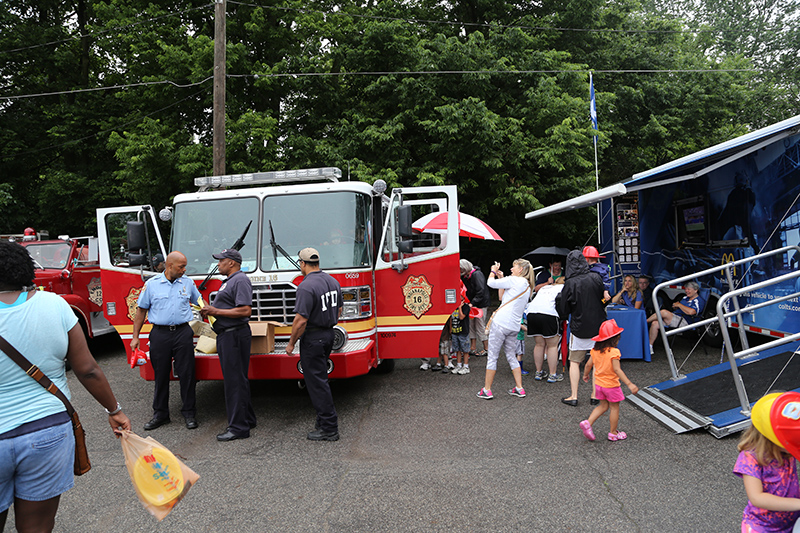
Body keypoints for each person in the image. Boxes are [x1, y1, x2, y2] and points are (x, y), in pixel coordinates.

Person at [0, 241, 132, 532]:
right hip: (47, 432)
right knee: (37, 526)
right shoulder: (56, 305)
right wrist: (115, 410)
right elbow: (87, 370)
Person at [132, 251, 201, 431]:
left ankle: (189, 413)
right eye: (181, 266)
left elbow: (200, 302)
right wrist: (135, 337)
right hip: (160, 334)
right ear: (169, 266)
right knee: (160, 375)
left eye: (185, 266)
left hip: (183, 332)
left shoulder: (188, 283)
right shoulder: (152, 285)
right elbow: (141, 311)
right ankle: (161, 415)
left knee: (187, 374)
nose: (184, 270)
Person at [286, 248, 343, 441]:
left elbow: (300, 320)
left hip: (313, 338)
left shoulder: (305, 286)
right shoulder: (332, 281)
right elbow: (339, 310)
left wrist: (291, 343)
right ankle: (322, 421)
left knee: (317, 384)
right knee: (321, 380)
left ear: (302, 264)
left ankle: (329, 427)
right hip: (328, 335)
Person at [199, 249, 256, 442]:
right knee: (238, 379)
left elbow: (245, 310)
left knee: (234, 382)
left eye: (221, 261)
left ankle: (238, 428)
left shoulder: (239, 280)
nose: (219, 264)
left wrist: (215, 310)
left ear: (231, 263)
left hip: (234, 336)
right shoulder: (231, 281)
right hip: (229, 335)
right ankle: (247, 419)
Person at [476, 259, 536, 400]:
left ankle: (487, 390)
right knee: (511, 355)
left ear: (520, 269)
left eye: (514, 266)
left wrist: (492, 271)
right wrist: (502, 279)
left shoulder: (515, 280)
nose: (511, 269)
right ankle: (519, 388)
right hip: (514, 326)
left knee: (492, 356)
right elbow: (503, 297)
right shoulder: (528, 287)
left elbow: (489, 283)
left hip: (501, 323)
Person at [556, 250, 606, 407]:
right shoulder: (596, 278)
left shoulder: (570, 283)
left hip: (579, 327)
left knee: (575, 362)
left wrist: (561, 305)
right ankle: (594, 395)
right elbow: (603, 300)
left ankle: (574, 396)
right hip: (598, 327)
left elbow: (563, 309)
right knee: (597, 362)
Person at [733, 416, 800, 531]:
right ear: (771, 437)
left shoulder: (785, 449)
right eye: (792, 438)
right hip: (762, 527)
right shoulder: (750, 458)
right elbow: (757, 498)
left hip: (791, 521)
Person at [579, 319, 638, 442]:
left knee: (603, 406)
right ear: (614, 338)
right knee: (614, 408)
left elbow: (588, 365)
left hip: (599, 385)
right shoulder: (614, 352)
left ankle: (588, 423)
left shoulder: (594, 351)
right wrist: (629, 384)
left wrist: (585, 375)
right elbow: (617, 370)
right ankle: (613, 433)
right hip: (611, 386)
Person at [647, 281, 705, 356]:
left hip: (685, 321)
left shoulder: (698, 301)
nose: (686, 291)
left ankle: (644, 321)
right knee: (655, 323)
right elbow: (680, 308)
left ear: (695, 290)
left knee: (663, 312)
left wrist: (679, 305)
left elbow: (692, 312)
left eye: (689, 289)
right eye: (686, 289)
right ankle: (650, 346)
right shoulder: (685, 298)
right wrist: (676, 306)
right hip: (676, 317)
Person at [526, 277, 565, 383]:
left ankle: (539, 372)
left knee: (539, 344)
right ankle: (552, 374)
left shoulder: (545, 288)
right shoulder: (563, 287)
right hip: (549, 314)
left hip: (532, 313)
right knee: (552, 345)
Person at [461, 259, 489, 357]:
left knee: (480, 325)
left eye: (461, 270)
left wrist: (472, 303)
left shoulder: (477, 274)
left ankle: (487, 348)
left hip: (480, 304)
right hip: (472, 304)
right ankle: (473, 348)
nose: (460, 272)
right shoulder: (467, 276)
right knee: (471, 325)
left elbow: (481, 291)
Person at [450, 296, 471, 375]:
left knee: (465, 349)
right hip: (455, 331)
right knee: (457, 349)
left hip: (463, 331)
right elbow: (451, 319)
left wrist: (459, 307)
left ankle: (466, 366)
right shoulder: (452, 307)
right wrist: (450, 330)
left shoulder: (466, 307)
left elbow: (462, 317)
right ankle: (458, 365)